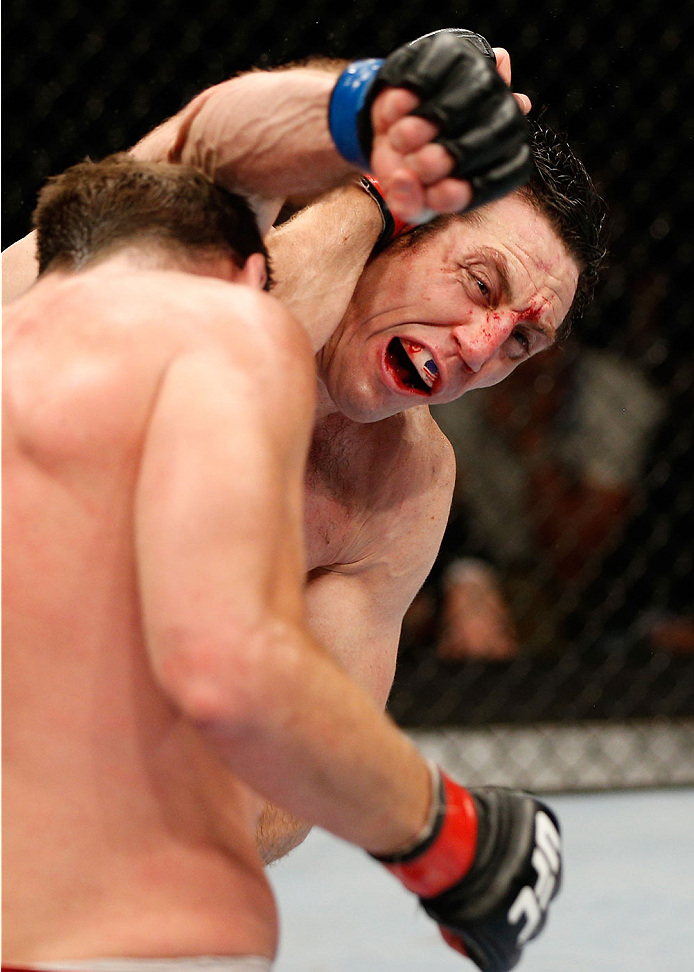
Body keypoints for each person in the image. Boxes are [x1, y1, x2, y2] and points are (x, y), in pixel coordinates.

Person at [2, 30, 604, 971]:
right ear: (393, 223)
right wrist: (374, 136)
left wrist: (144, 778)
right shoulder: (141, 271)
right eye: (478, 283)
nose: (486, 344)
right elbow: (216, 153)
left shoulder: (407, 483)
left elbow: (286, 801)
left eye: (521, 347)